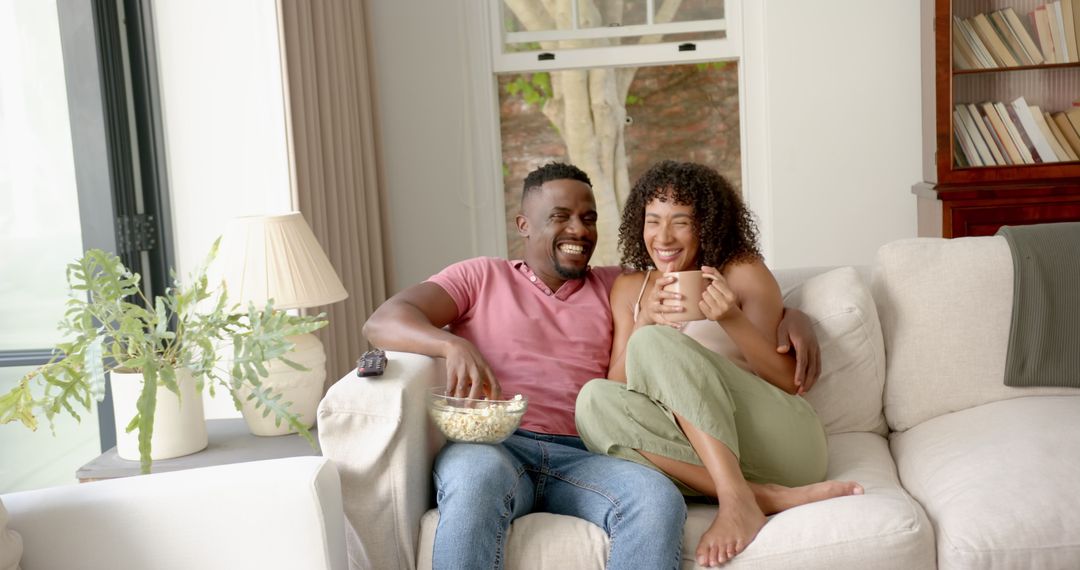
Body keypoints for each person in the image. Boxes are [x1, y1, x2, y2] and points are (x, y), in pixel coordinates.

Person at [362, 162, 821, 569]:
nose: (578, 230)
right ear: (523, 224)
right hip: (495, 444)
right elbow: (385, 320)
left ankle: (740, 494)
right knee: (476, 482)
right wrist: (449, 345)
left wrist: (795, 317)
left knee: (653, 497)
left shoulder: (614, 284)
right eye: (560, 217)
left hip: (587, 453)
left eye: (588, 218)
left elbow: (649, 366)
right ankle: (744, 491)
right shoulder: (480, 276)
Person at [575, 160, 863, 568]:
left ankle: (735, 501)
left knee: (656, 343)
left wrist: (731, 319)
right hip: (712, 459)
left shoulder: (743, 274)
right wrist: (644, 321)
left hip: (782, 444)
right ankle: (758, 496)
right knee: (591, 402)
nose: (664, 237)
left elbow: (787, 382)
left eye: (681, 222)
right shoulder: (628, 289)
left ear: (706, 225)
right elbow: (619, 390)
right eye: (653, 221)